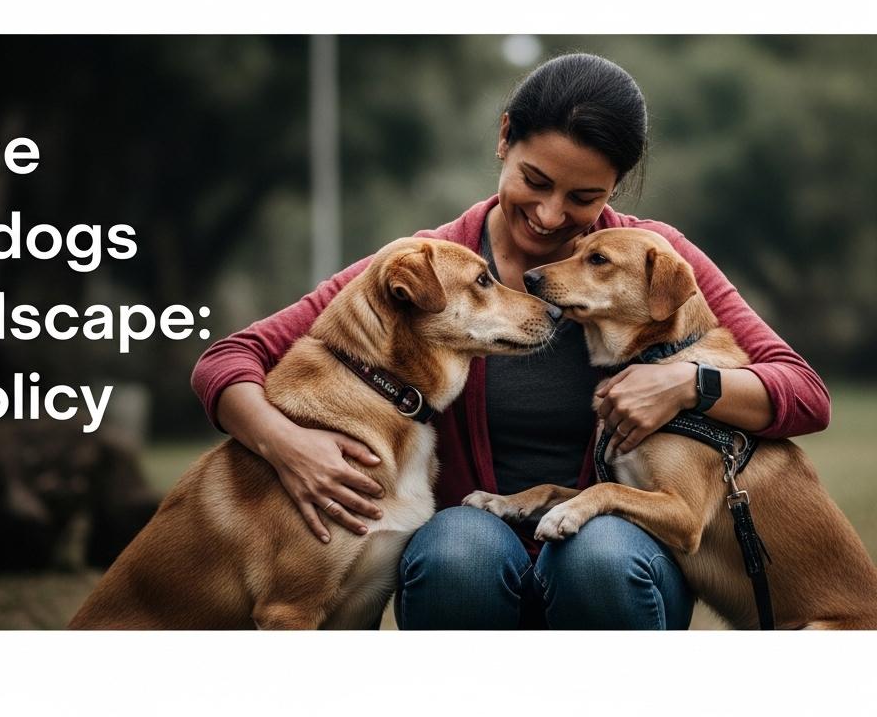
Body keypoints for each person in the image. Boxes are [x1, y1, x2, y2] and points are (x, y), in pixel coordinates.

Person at [190, 53, 830, 629]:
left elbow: (804, 393)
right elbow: (227, 360)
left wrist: (689, 382)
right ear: (503, 138)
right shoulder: (432, 264)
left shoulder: (650, 260)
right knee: (459, 550)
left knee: (599, 555)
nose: (551, 216)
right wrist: (289, 446)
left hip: (617, 550)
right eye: (536, 180)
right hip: (477, 537)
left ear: (616, 188)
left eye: (584, 197)